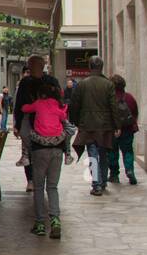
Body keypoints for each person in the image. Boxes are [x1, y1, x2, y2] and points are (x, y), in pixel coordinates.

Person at [21, 78, 69, 239]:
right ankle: (55, 220)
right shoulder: (57, 105)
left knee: (39, 187)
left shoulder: (39, 104)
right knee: (53, 187)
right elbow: (63, 116)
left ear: (40, 94)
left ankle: (40, 224)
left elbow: (24, 108)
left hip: (40, 149)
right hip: (57, 149)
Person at [67, 56, 118, 195]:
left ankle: (96, 184)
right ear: (101, 67)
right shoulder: (108, 84)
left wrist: (76, 121)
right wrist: (116, 124)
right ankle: (102, 182)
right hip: (105, 126)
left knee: (93, 155)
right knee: (103, 154)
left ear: (90, 66)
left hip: (88, 125)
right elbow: (113, 106)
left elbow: (74, 105)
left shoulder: (83, 84)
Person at [12, 55, 61, 193]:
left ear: (41, 65)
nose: (30, 67)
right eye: (29, 65)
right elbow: (19, 104)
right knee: (28, 151)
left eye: (32, 65)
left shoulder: (51, 81)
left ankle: (43, 179)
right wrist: (18, 123)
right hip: (29, 121)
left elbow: (59, 101)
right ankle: (31, 180)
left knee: (43, 152)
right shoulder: (25, 82)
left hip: (46, 123)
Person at [107, 74, 139, 185]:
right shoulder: (129, 97)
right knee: (128, 151)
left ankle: (114, 174)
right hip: (128, 130)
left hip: (113, 130)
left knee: (112, 152)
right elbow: (135, 113)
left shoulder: (109, 98)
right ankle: (130, 170)